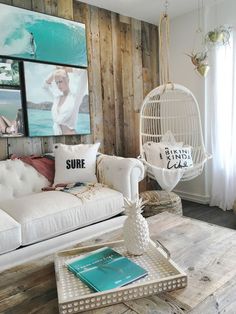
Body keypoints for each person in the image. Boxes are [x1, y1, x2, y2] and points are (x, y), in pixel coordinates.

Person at [44, 66, 88, 135]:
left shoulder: (76, 97)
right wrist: (54, 74)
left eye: (60, 81)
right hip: (58, 137)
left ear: (68, 80)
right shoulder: (56, 98)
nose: (59, 85)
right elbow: (44, 86)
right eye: (57, 82)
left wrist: (65, 69)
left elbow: (84, 72)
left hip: (72, 139)